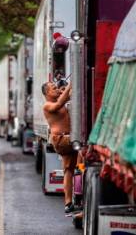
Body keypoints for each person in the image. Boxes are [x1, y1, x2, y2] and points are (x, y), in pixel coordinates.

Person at [42, 82, 77, 214]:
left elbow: (68, 97)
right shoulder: (47, 106)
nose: (56, 90)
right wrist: (68, 88)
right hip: (61, 140)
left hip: (68, 139)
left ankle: (68, 203)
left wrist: (65, 91)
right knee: (85, 144)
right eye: (53, 88)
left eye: (57, 88)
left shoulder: (59, 99)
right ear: (47, 93)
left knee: (68, 170)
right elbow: (59, 104)